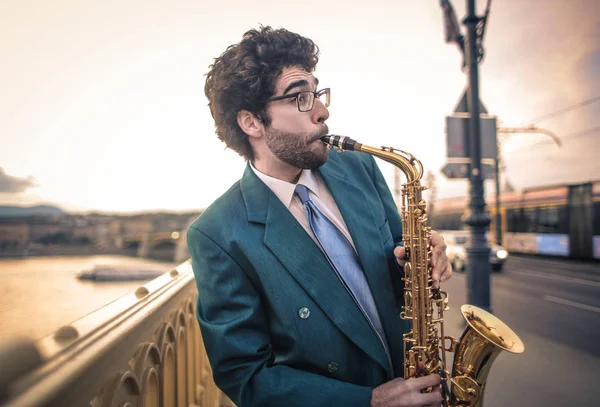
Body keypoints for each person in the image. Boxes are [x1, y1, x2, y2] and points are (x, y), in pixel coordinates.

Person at [187, 25, 453, 407]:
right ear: (251, 122)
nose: (323, 111)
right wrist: (369, 402)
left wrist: (421, 257)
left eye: (318, 93)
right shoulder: (216, 234)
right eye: (300, 98)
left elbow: (397, 251)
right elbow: (244, 375)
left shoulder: (361, 167)